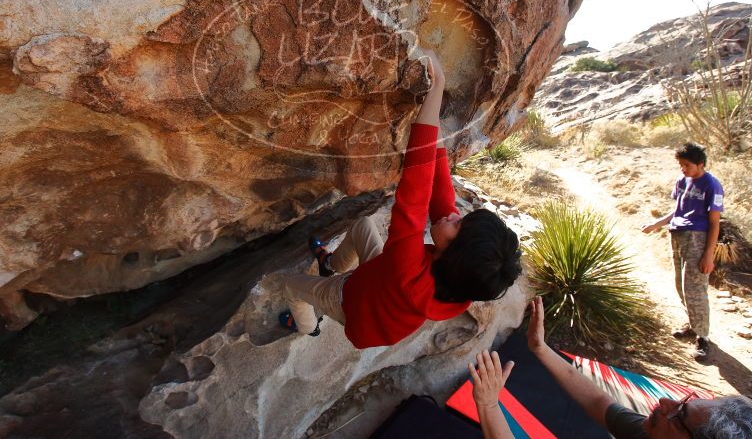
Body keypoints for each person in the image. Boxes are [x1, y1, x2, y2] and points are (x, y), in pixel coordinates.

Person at [279, 50, 523, 349]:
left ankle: (306, 326)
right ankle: (330, 264)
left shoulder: (409, 271)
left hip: (349, 302)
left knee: (291, 286)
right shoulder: (464, 281)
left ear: (453, 256)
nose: (454, 216)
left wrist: (437, 89)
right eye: (463, 220)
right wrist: (436, 133)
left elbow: (416, 190)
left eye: (458, 226)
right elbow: (442, 200)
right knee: (363, 226)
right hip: (379, 285)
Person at [469, 297, 752, 439]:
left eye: (679, 416)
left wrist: (489, 404)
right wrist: (540, 348)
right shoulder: (651, 433)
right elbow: (598, 401)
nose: (666, 401)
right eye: (684, 401)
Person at [641, 142, 724, 360]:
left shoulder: (711, 185)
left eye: (687, 165)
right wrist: (656, 224)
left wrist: (709, 254)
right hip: (677, 234)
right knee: (681, 285)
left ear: (700, 164)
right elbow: (677, 210)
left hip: (697, 238)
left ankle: (703, 338)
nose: (683, 169)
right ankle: (692, 324)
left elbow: (715, 222)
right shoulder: (681, 181)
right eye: (680, 164)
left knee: (695, 288)